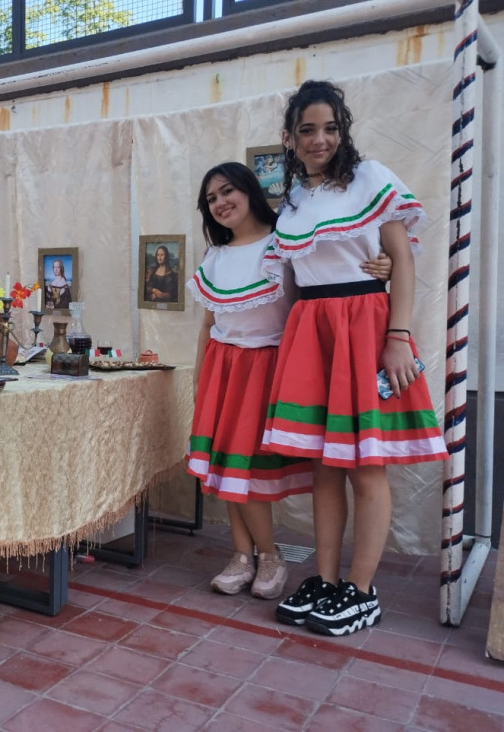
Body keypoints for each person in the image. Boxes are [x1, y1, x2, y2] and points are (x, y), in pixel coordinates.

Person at [263, 80, 448, 636]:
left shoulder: (371, 180)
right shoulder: (292, 201)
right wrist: (291, 344)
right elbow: (293, 280)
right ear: (290, 139)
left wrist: (398, 335)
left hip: (365, 326)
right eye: (307, 129)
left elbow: (402, 262)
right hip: (312, 331)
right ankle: (325, 578)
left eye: (329, 128)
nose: (320, 139)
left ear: (342, 131)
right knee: (325, 464)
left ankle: (362, 590)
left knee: (367, 464)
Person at [186, 162, 391, 600]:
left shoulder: (283, 242)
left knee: (245, 467)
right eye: (211, 199)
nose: (221, 203)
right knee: (224, 466)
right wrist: (202, 377)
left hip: (269, 366)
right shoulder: (214, 256)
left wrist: (384, 263)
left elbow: (327, 274)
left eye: (228, 191)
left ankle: (269, 554)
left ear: (249, 191)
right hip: (224, 367)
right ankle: (243, 554)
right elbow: (208, 324)